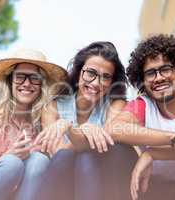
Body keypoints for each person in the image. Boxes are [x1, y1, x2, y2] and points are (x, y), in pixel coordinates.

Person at [107, 34, 175, 200]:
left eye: (165, 69)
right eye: (150, 73)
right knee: (117, 150)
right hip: (150, 189)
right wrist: (174, 139)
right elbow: (113, 128)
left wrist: (154, 153)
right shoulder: (143, 104)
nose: (158, 78)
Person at [34, 41, 138, 200]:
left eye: (106, 77)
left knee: (87, 159)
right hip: (64, 182)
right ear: (78, 72)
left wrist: (73, 131)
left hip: (103, 183)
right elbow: (59, 153)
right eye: (90, 73)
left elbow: (110, 142)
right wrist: (80, 132)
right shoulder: (53, 106)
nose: (96, 83)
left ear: (111, 82)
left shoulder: (116, 105)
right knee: (68, 157)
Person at [0, 49, 68, 200]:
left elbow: (63, 157)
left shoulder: (41, 120)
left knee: (39, 159)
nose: (27, 83)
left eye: (34, 78)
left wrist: (64, 124)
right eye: (20, 77)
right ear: (10, 81)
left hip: (21, 195)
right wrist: (10, 155)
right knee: (12, 163)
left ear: (41, 84)